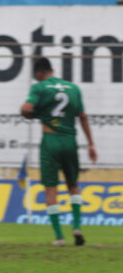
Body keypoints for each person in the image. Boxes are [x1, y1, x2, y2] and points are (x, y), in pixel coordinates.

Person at [20, 57, 98, 246]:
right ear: (52, 69)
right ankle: (77, 227)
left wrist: (34, 113)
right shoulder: (73, 88)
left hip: (50, 140)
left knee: (51, 189)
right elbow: (83, 117)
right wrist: (91, 144)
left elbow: (26, 109)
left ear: (39, 73)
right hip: (70, 140)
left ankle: (59, 237)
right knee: (73, 186)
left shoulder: (39, 87)